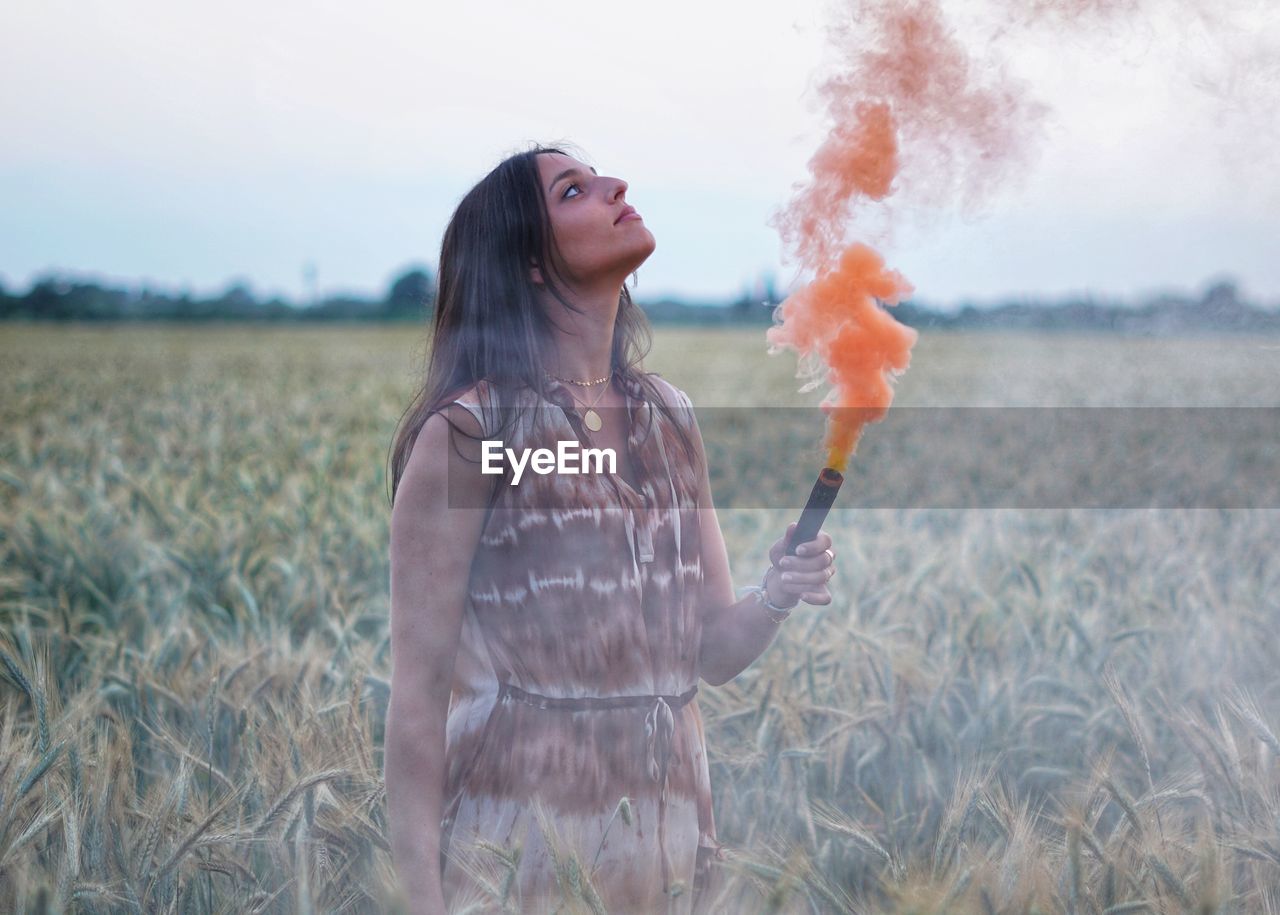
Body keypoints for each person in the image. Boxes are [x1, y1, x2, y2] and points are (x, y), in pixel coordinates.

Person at [382, 145, 837, 914]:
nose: (616, 186)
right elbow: (419, 700)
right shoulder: (472, 432)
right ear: (529, 260)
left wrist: (778, 593)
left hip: (667, 847)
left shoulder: (668, 416)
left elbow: (711, 653)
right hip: (520, 851)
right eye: (574, 190)